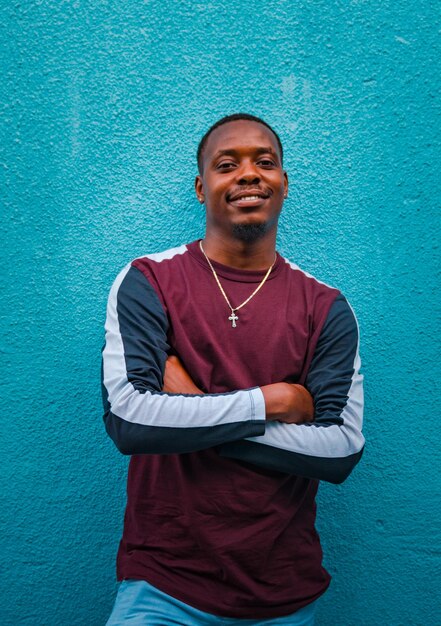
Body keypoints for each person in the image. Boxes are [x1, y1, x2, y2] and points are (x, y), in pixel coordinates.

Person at [102, 113, 364, 625]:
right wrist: (275, 402)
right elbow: (130, 420)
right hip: (162, 587)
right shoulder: (149, 281)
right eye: (228, 165)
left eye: (265, 163)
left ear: (283, 185)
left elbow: (341, 450)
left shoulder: (326, 307)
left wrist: (192, 410)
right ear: (202, 188)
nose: (248, 174)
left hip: (283, 595)